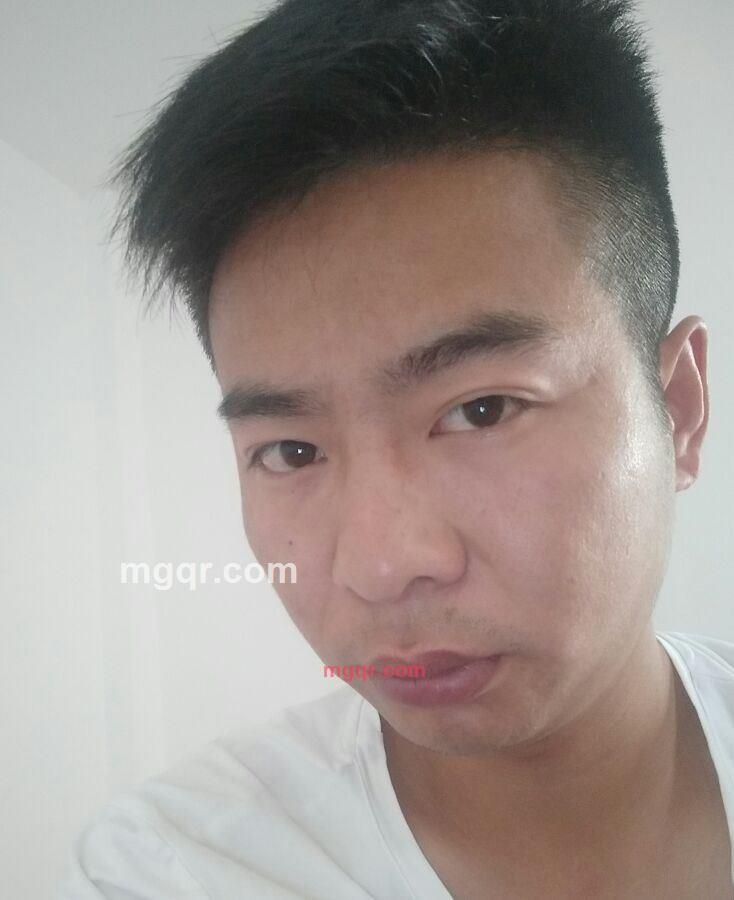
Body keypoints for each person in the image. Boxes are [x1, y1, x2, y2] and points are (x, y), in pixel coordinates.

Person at [58, 0, 734, 897]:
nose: (379, 568)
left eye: (483, 409)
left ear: (679, 408)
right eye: (291, 452)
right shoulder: (178, 865)